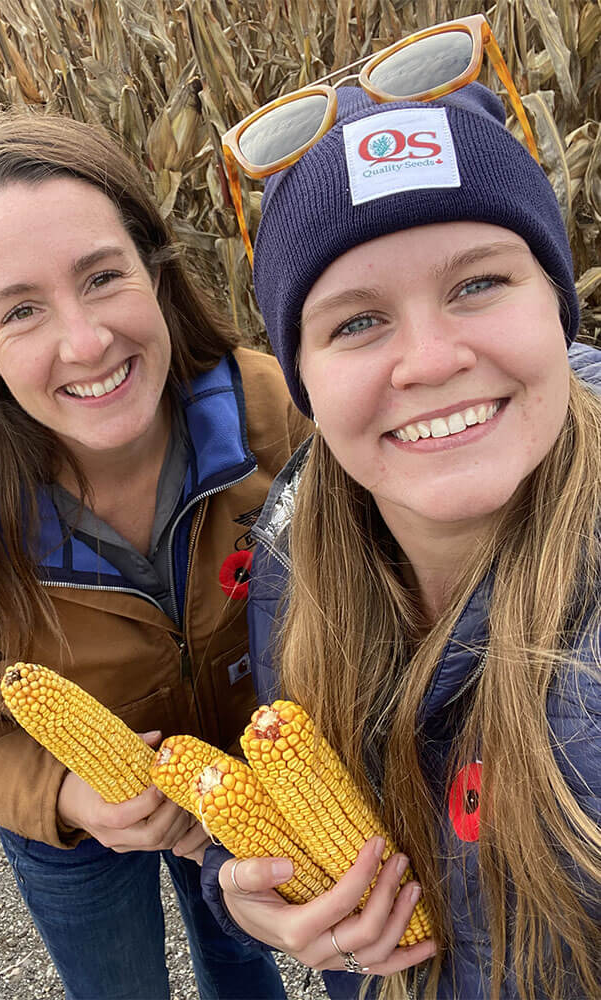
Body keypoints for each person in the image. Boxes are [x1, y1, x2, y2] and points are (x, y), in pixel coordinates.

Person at [0, 111, 310, 1000]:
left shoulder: (267, 409)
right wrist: (64, 793)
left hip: (235, 780)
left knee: (242, 956)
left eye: (103, 276)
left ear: (155, 268)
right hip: (73, 825)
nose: (88, 341)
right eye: (20, 310)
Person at [201, 79, 601, 999]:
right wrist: (264, 895)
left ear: (556, 300)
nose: (429, 361)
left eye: (478, 283)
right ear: (301, 374)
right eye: (359, 321)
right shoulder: (292, 555)